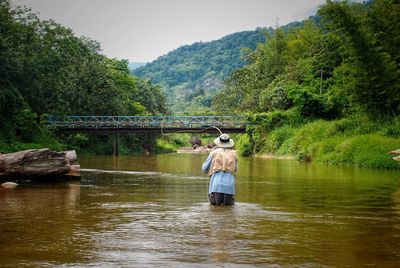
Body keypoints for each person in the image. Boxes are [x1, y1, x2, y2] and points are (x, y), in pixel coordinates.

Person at [202, 133, 238, 206]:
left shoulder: (213, 153)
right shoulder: (234, 154)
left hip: (216, 186)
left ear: (219, 142)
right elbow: (236, 169)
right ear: (229, 142)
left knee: (215, 209)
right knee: (228, 210)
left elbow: (204, 169)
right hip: (229, 187)